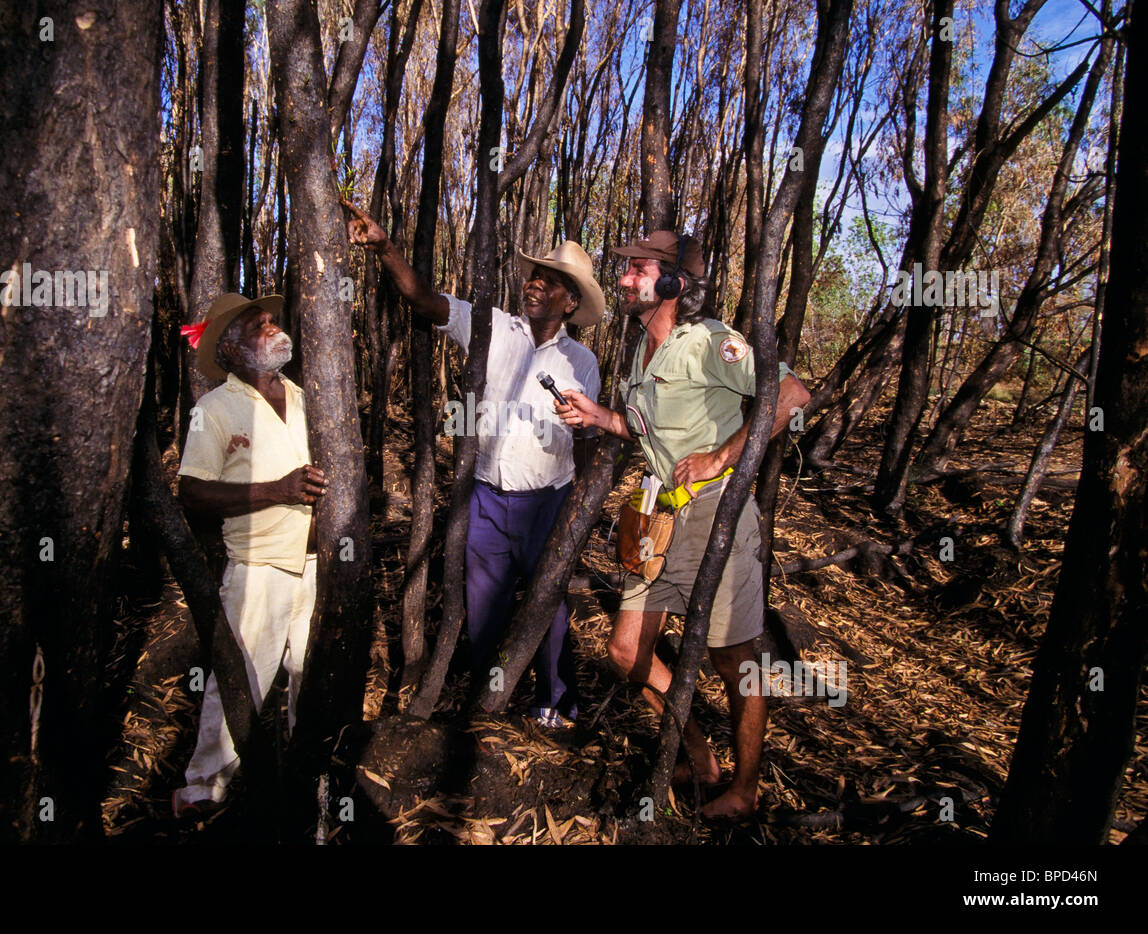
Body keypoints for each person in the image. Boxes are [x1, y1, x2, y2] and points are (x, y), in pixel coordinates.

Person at [554, 232, 811, 818]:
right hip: (660, 518)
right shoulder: (642, 355)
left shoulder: (710, 341)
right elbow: (650, 433)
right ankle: (698, 754)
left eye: (636, 268)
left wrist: (723, 456)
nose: (622, 279)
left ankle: (744, 791)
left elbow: (791, 394)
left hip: (715, 513)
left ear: (673, 282)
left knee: (732, 660)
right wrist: (600, 416)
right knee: (624, 651)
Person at [344, 199, 602, 728]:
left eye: (550, 281)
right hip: (485, 497)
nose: (534, 284)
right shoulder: (492, 327)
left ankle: (557, 702)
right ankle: (493, 698)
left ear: (571, 302)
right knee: (484, 606)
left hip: (545, 501)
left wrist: (577, 423)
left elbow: (580, 435)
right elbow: (424, 299)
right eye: (534, 275)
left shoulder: (582, 362)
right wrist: (385, 246)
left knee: (548, 607)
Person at [171, 293, 329, 818]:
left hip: (314, 565)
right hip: (258, 567)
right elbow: (192, 491)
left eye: (271, 320)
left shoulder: (309, 397)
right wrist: (276, 491)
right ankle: (202, 789)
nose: (271, 326)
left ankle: (305, 779)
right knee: (240, 680)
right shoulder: (213, 409)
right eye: (257, 325)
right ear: (234, 351)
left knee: (309, 676)